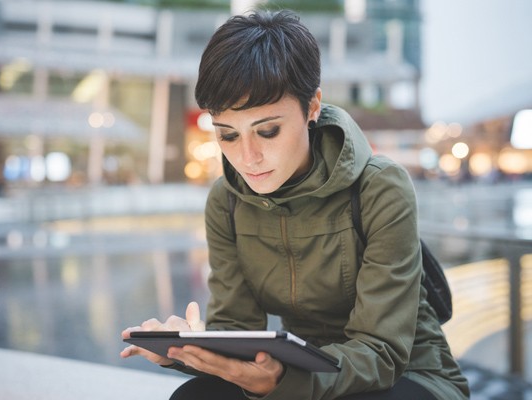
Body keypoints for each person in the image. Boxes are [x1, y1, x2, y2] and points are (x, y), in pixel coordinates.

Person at [121, 9, 470, 400]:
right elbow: (238, 331)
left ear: (313, 106)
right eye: (228, 135)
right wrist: (185, 349)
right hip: (300, 372)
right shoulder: (227, 201)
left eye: (268, 131)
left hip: (406, 375)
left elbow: (381, 352)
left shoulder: (379, 187)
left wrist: (284, 380)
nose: (248, 157)